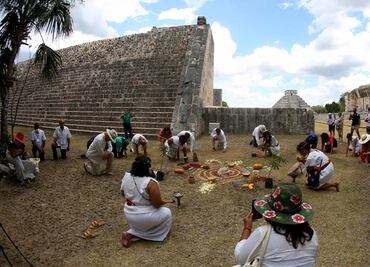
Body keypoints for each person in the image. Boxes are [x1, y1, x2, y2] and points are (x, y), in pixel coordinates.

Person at [234, 183, 318, 267]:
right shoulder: (311, 234)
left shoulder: (263, 233)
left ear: (269, 211)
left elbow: (240, 258)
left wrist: (247, 228)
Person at [120, 155, 174, 247]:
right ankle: (134, 234)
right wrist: (166, 201)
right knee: (167, 212)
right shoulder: (150, 182)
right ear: (147, 168)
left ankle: (133, 233)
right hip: (144, 217)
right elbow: (157, 204)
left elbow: (123, 193)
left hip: (129, 213)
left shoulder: (127, 176)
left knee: (146, 220)